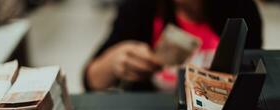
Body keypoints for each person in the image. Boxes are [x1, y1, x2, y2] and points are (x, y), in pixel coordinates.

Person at [84, 0, 263, 91]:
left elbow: (253, 76)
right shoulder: (140, 8)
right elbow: (90, 80)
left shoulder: (242, 8)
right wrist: (115, 62)